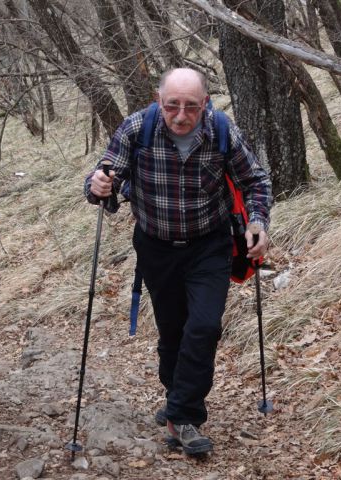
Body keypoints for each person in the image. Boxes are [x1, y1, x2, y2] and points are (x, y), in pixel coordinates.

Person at [84, 68, 272, 455]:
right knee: (172, 330)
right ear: (160, 102)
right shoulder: (137, 128)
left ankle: (185, 416)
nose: (181, 115)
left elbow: (255, 181)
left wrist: (257, 222)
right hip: (156, 245)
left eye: (190, 106)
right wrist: (98, 185)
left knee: (203, 326)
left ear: (205, 103)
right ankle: (176, 395)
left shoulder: (221, 130)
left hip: (210, 244)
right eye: (172, 106)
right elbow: (105, 176)